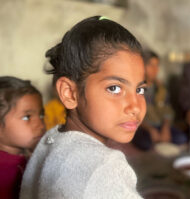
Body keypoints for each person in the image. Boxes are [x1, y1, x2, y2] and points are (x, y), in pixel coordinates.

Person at [20, 16, 146, 199]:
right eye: (114, 88)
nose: (135, 106)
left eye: (140, 89)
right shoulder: (106, 167)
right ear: (69, 93)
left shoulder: (51, 138)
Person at [132, 50, 187, 150]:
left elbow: (168, 110)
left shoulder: (161, 88)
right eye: (151, 65)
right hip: (141, 127)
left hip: (160, 126)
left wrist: (166, 128)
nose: (155, 69)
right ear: (142, 66)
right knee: (145, 144)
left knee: (181, 138)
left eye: (157, 65)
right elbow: (133, 116)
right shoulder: (134, 89)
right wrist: (150, 130)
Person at [0, 76, 45, 199]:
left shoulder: (31, 157)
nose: (40, 124)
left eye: (41, 115)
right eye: (27, 117)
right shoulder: (3, 173)